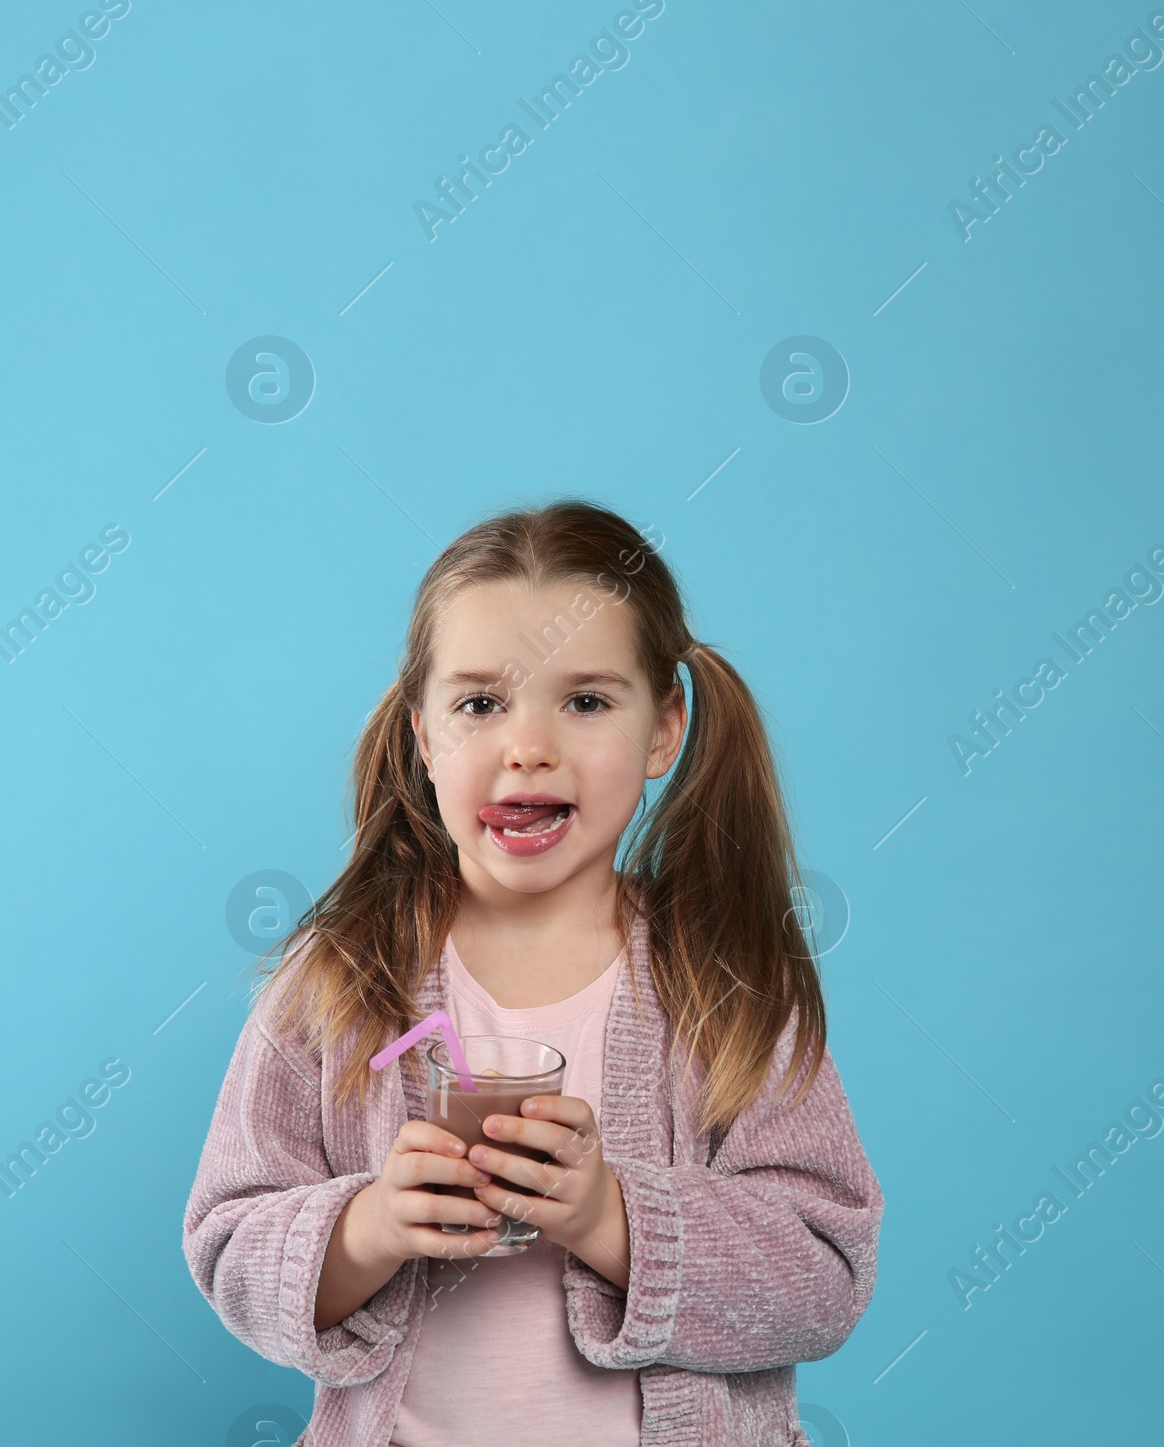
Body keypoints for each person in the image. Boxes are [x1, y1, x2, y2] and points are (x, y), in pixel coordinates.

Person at [182, 499, 883, 1446]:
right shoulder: (340, 977)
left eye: (586, 700)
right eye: (480, 703)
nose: (528, 746)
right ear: (425, 735)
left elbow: (825, 1275)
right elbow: (230, 1241)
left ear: (664, 729)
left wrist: (610, 1214)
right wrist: (371, 1226)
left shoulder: (726, 977)